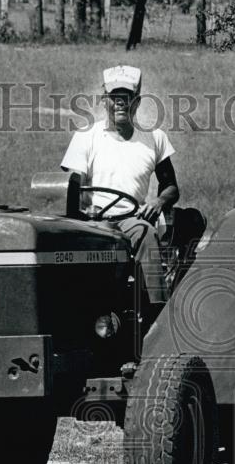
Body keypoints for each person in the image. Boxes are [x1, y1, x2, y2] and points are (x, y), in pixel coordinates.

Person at [60, 65, 195, 306]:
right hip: (93, 219)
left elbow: (171, 186)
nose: (120, 103)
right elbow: (72, 185)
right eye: (115, 97)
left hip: (130, 219)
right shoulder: (86, 136)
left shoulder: (154, 138)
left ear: (137, 101)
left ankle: (157, 309)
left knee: (146, 233)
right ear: (105, 101)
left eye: (127, 97)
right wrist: (82, 214)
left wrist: (159, 201)